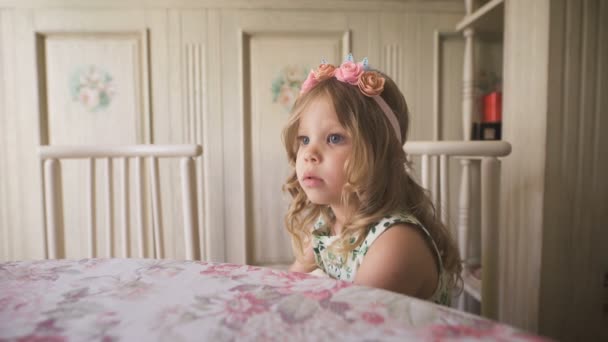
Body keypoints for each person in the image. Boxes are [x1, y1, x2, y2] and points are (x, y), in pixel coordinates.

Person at [281, 54, 461, 305]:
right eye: (304, 139)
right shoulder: (328, 225)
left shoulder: (394, 244)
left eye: (334, 138)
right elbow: (285, 289)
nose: (309, 154)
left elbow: (350, 325)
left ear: (380, 154)